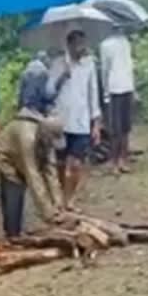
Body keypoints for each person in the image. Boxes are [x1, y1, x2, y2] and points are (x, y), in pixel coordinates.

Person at [0, 108, 65, 240]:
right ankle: (12, 235)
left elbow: (51, 172)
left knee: (23, 184)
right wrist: (49, 214)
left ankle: (16, 231)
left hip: (22, 154)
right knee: (15, 189)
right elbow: (34, 177)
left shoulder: (46, 136)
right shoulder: (28, 139)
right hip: (5, 156)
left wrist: (58, 205)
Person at [48, 30, 101, 212]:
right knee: (61, 164)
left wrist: (96, 122)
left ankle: (70, 199)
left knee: (76, 164)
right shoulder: (58, 64)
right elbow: (49, 91)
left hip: (81, 121)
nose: (81, 48)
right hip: (61, 121)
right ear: (69, 45)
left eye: (83, 43)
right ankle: (62, 197)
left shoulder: (89, 65)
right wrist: (63, 76)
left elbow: (93, 93)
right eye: (77, 44)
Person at [100, 26, 136, 174]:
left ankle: (117, 161)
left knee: (118, 128)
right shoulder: (123, 42)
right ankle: (120, 160)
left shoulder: (107, 44)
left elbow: (105, 70)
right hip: (123, 86)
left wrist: (105, 90)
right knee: (122, 127)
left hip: (116, 87)